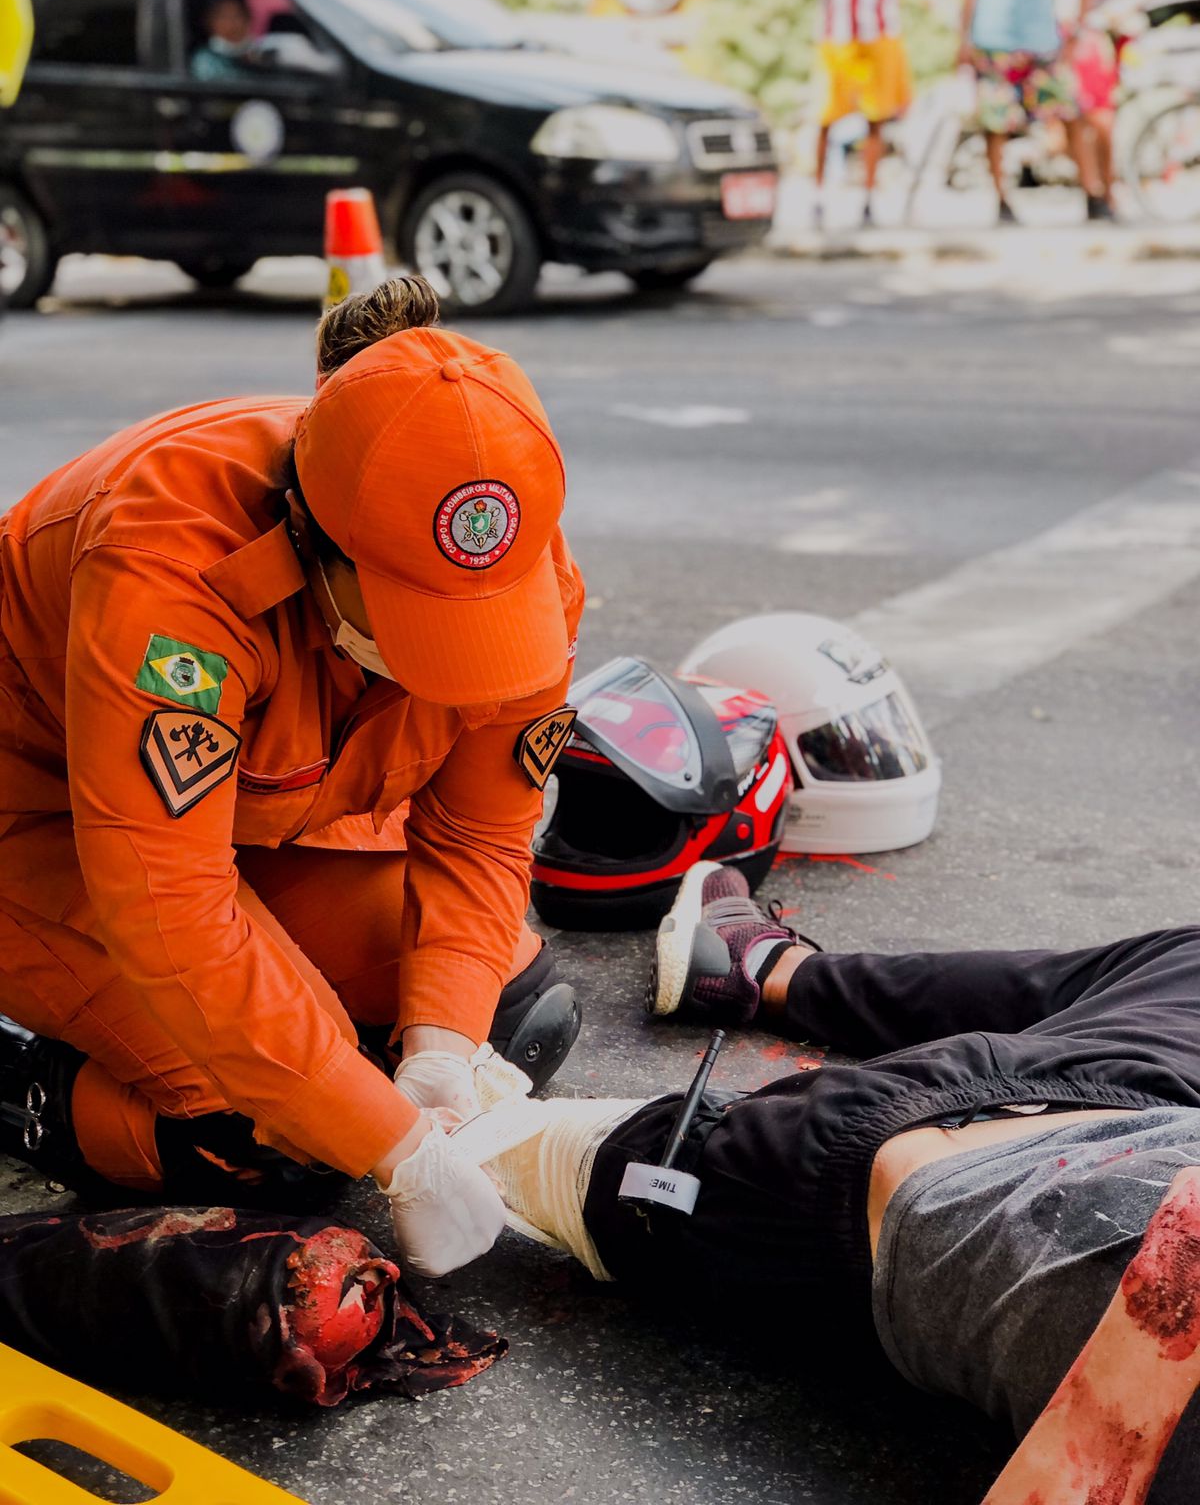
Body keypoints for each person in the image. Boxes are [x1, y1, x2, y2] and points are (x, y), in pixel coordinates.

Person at [0, 275, 584, 1278]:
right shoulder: (167, 563)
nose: (454, 666)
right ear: (316, 544)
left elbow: (483, 832)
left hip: (247, 824)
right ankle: (25, 1079)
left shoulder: (511, 559)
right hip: (40, 819)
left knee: (512, 1008)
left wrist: (439, 1048)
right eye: (419, 627)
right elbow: (170, 907)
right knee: (266, 1139)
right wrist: (396, 1149)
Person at [458, 859, 1200, 1500]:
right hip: (1079, 1132)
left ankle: (764, 987)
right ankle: (767, 971)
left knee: (492, 1141)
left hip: (941, 1168)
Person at [959, 0, 1112, 224]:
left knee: (1071, 112)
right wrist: (964, 38)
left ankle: (1093, 193)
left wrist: (1079, 30)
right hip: (995, 38)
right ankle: (1001, 200)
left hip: (1043, 38)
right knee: (995, 122)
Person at [812, 0, 918, 229]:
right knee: (826, 115)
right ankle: (817, 197)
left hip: (881, 28)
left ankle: (868, 199)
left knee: (877, 117)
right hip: (838, 29)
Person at [1075, 0, 1172, 210]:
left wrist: (1123, 7)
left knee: (1099, 112)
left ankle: (1107, 194)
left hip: (1110, 29)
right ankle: (1096, 190)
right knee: (1079, 110)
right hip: (1089, 23)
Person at [190, 0, 264, 83]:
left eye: (237, 15)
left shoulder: (261, 52)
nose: (232, 23)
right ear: (209, 23)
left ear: (248, 19)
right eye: (223, 17)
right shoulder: (205, 60)